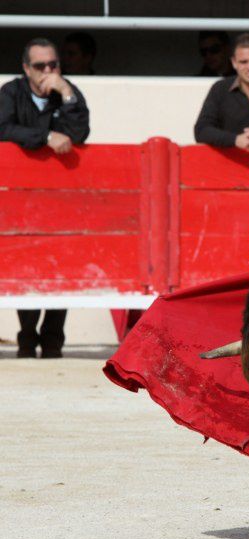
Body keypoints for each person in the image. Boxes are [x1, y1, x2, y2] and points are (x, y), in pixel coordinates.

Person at [0, 37, 91, 358]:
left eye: (53, 65)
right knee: (28, 264)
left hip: (62, 197)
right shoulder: (11, 93)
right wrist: (46, 136)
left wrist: (66, 94)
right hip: (21, 196)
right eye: (40, 66)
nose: (48, 71)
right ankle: (26, 335)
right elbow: (2, 128)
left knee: (62, 264)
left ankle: (53, 338)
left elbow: (79, 133)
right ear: (26, 69)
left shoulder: (68, 92)